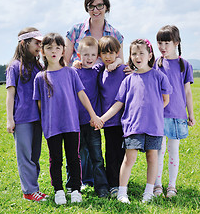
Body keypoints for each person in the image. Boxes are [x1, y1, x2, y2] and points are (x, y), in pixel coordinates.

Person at [32, 33, 103, 205]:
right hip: (52, 127)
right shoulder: (40, 77)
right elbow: (40, 105)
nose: (54, 51)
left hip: (72, 124)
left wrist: (93, 115)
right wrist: (46, 122)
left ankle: (75, 189)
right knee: (55, 159)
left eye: (58, 47)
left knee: (74, 158)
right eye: (49, 48)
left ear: (64, 50)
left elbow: (82, 95)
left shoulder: (71, 73)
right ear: (43, 51)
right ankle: (58, 190)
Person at [64, 0, 125, 186]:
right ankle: (83, 178)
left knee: (102, 141)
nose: (96, 9)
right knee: (80, 140)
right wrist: (74, 66)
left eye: (100, 5)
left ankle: (108, 179)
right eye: (92, 5)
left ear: (106, 6)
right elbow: (65, 62)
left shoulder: (115, 33)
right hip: (80, 91)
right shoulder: (75, 31)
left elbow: (120, 63)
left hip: (105, 93)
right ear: (87, 7)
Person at [99, 39, 172, 203]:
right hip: (133, 126)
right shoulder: (128, 80)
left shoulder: (158, 76)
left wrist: (153, 113)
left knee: (152, 157)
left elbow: (165, 99)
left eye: (141, 53)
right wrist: (102, 119)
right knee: (128, 159)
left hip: (153, 126)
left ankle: (148, 192)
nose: (137, 56)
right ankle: (122, 192)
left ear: (149, 55)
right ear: (130, 56)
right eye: (134, 53)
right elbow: (118, 104)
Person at [5, 27, 48, 202]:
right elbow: (10, 94)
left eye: (41, 43)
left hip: (38, 118)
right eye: (36, 43)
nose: (40, 45)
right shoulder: (14, 67)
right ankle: (29, 191)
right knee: (25, 156)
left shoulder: (38, 65)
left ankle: (33, 188)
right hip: (22, 118)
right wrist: (10, 119)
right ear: (24, 43)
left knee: (35, 155)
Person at [153, 25, 196, 198]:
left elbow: (187, 92)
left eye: (167, 42)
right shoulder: (156, 63)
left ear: (176, 43)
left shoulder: (184, 65)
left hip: (178, 115)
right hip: (160, 115)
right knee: (158, 151)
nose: (163, 47)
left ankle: (171, 186)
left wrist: (190, 113)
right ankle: (157, 185)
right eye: (160, 43)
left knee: (174, 150)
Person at [71, 36, 109, 198]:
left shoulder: (97, 69)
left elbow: (116, 60)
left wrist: (115, 63)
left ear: (98, 56)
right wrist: (73, 64)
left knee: (97, 156)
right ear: (78, 56)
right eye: (85, 55)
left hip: (93, 122)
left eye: (93, 55)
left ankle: (101, 187)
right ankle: (74, 185)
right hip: (75, 123)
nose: (89, 58)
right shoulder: (74, 72)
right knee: (75, 156)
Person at [97, 36, 128, 197]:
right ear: (99, 55)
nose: (108, 56)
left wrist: (119, 62)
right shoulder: (100, 71)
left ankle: (122, 183)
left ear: (117, 53)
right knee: (110, 153)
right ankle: (113, 184)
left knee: (123, 152)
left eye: (111, 53)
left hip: (124, 120)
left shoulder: (123, 69)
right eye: (104, 53)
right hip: (108, 122)